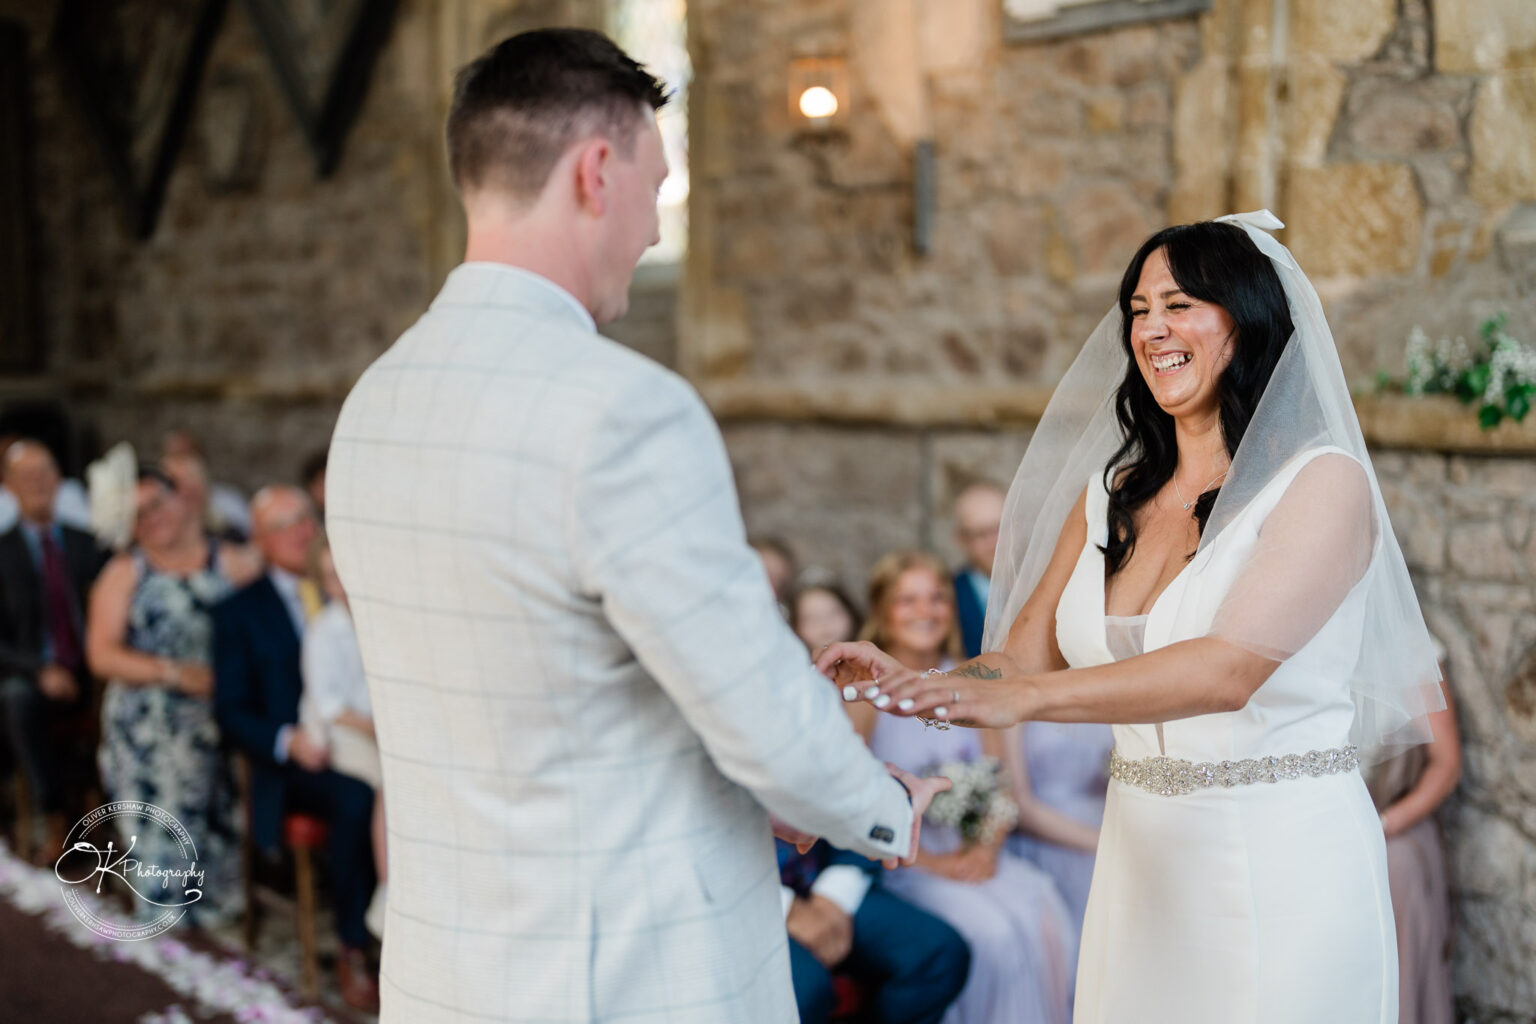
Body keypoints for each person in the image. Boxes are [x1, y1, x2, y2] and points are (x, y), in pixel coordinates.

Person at [323, 29, 945, 1024]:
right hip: (630, 975)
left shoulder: (374, 404)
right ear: (595, 171)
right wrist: (880, 803)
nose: (655, 230)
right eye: (657, 185)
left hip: (450, 971)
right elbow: (761, 717)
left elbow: (540, 692)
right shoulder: (623, 410)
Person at [822, 212, 1444, 1023]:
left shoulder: (1321, 485)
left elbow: (1228, 669)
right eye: (1139, 308)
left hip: (1279, 855)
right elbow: (1017, 664)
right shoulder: (1109, 497)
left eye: (1180, 303)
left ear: (1246, 320)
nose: (1153, 327)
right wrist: (909, 685)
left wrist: (1028, 701)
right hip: (1141, 857)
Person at [857, 550, 1074, 1024]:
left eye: (936, 598)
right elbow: (853, 800)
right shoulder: (866, 698)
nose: (925, 611)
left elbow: (999, 783)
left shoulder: (977, 680)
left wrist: (985, 851)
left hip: (974, 855)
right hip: (910, 862)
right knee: (991, 934)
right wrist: (935, 862)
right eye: (907, 600)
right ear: (882, 610)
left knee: (1045, 913)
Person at [211, 485, 379, 1012]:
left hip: (361, 736)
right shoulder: (237, 612)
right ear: (259, 539)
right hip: (294, 762)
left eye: (306, 518)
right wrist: (289, 742)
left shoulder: (355, 587)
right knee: (357, 796)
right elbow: (231, 712)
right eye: (284, 525)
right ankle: (356, 946)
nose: (302, 532)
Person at [87, 466, 256, 924]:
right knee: (162, 844)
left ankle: (216, 954)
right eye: (138, 513)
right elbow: (101, 654)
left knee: (218, 834)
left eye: (157, 503)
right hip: (149, 731)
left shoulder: (234, 561)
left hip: (221, 724)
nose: (152, 518)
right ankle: (167, 946)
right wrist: (174, 673)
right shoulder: (125, 571)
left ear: (178, 500)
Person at [0, 440, 105, 861]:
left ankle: (105, 800)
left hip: (91, 666)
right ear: (8, 486)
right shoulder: (2, 552)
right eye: (26, 476)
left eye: (45, 472)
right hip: (34, 673)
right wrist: (40, 669)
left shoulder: (87, 543)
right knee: (16, 700)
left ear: (60, 479)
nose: (38, 483)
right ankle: (55, 812)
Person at [297, 533, 388, 937]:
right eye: (331, 577)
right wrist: (378, 728)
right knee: (390, 784)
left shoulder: (379, 621)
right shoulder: (325, 630)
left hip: (379, 728)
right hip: (343, 734)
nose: (342, 585)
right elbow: (329, 705)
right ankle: (388, 897)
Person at [1371, 663, 1460, 1024]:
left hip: (1396, 819)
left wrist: (1383, 825)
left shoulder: (1410, 655)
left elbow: (1446, 765)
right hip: (1330, 826)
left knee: (1397, 868)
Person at [950, 482, 1005, 658]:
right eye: (982, 533)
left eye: (1000, 528)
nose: (994, 542)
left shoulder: (1042, 581)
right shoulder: (946, 595)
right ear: (962, 539)